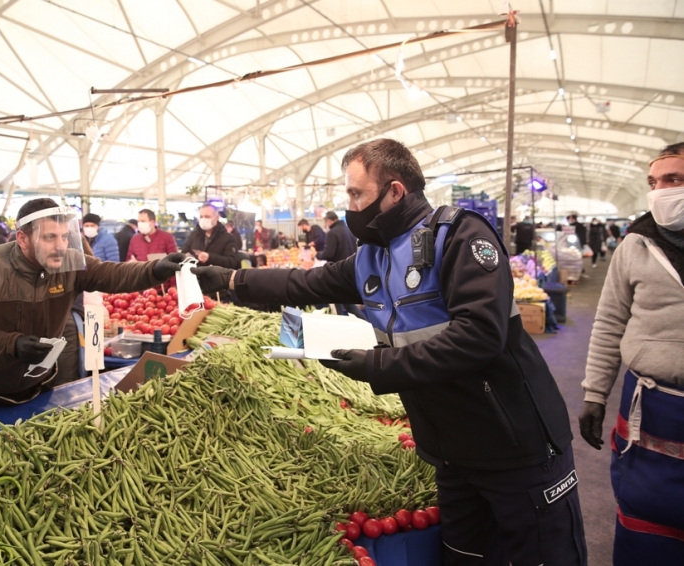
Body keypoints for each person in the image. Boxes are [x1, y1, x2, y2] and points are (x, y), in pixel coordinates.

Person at [193, 138, 586, 565]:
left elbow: (479, 336)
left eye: (357, 194)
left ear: (395, 191)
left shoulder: (457, 236)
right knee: (465, 557)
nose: (351, 206)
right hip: (452, 452)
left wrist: (379, 365)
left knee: (544, 556)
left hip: (515, 445)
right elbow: (303, 283)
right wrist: (230, 280)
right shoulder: (372, 258)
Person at [0, 198, 188, 415]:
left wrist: (155, 270)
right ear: (22, 239)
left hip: (38, 386)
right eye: (50, 237)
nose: (61, 245)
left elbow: (113, 273)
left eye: (64, 236)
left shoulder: (70, 261)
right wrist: (13, 344)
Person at [580, 142, 684, 566]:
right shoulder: (635, 246)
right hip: (651, 404)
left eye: (673, 180)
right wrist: (594, 394)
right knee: (646, 518)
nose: (660, 191)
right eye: (654, 182)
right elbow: (608, 323)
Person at [182, 203, 238, 269]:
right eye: (201, 216)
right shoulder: (194, 235)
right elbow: (183, 253)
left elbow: (231, 262)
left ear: (217, 217)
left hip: (217, 277)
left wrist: (210, 258)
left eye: (207, 216)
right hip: (194, 276)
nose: (203, 219)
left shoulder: (229, 238)